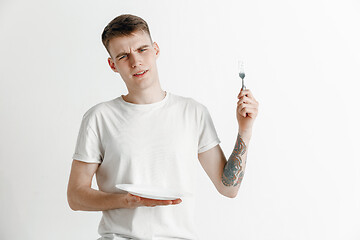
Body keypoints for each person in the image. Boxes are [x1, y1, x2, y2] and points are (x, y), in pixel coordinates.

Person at [67, 14, 259, 240]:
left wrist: (245, 129)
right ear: (113, 65)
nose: (135, 61)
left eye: (142, 50)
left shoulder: (192, 112)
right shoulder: (99, 118)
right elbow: (76, 196)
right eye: (123, 56)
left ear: (156, 50)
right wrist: (126, 200)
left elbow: (228, 188)